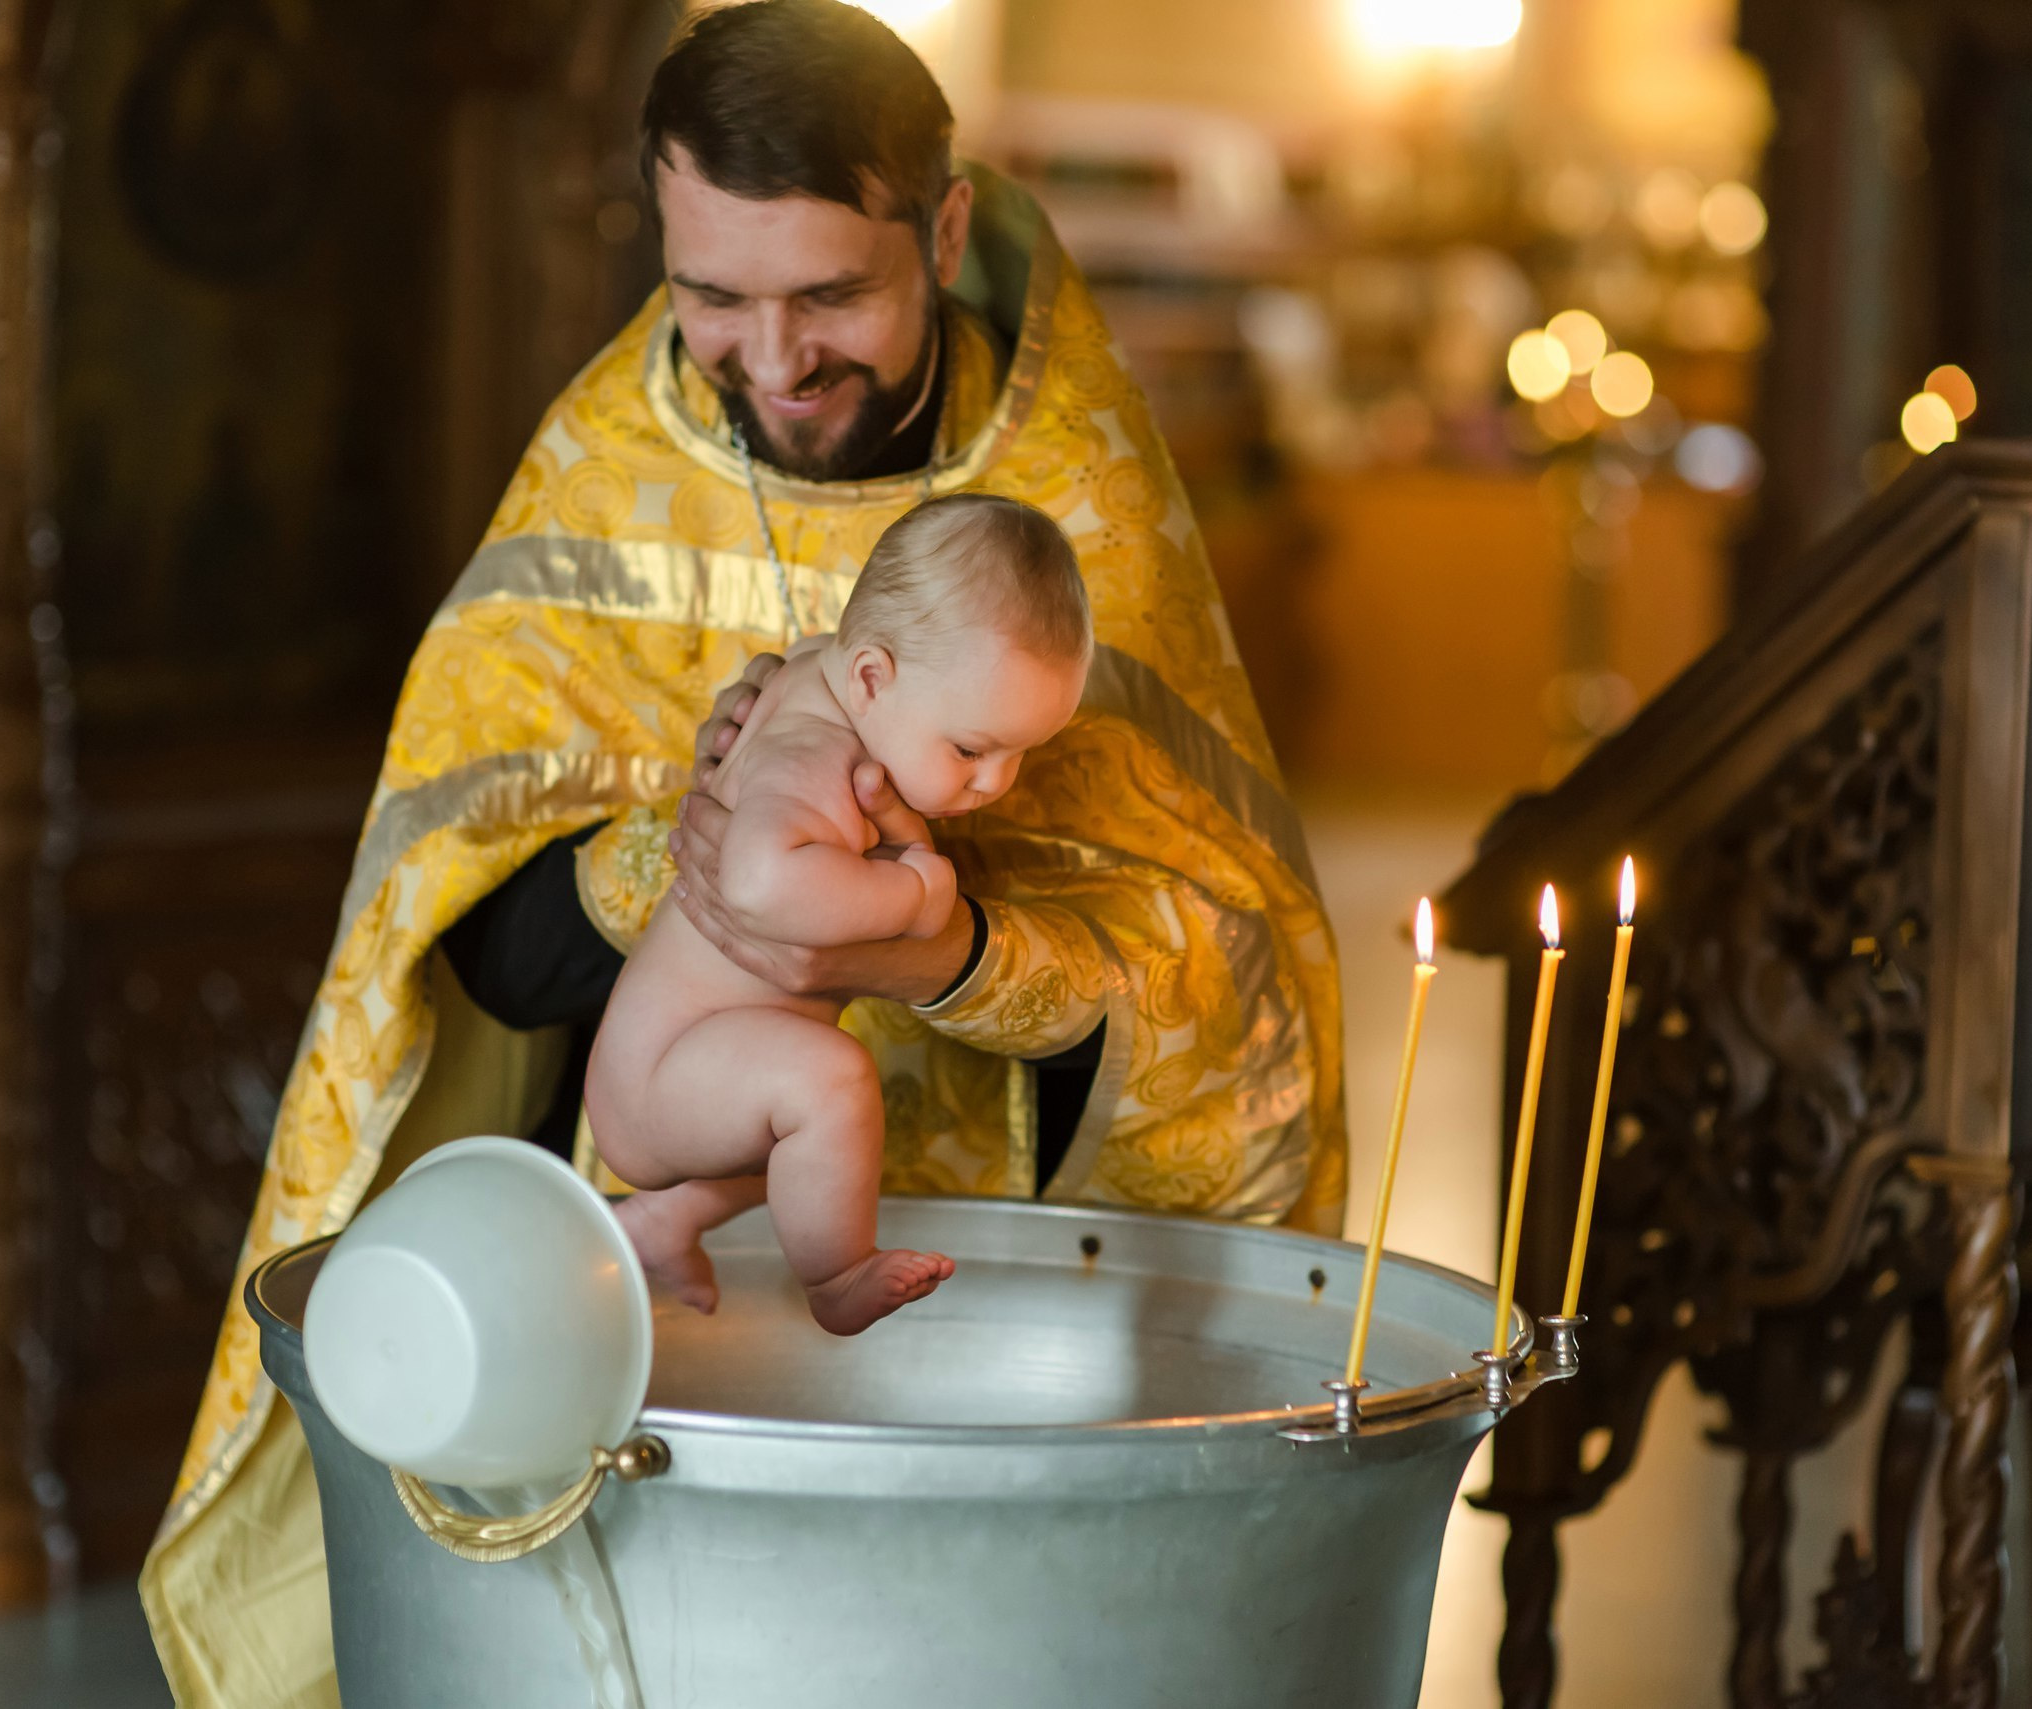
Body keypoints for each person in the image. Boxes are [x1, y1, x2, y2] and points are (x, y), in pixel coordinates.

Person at [142, 3, 1343, 1702]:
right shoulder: (601, 465)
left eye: (829, 297)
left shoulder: (1078, 504)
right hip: (649, 1328)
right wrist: (689, 864)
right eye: (714, 296)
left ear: (939, 229)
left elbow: (1223, 979)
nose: (772, 362)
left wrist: (950, 955)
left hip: (977, 1335)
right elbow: (463, 947)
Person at [592, 494, 1090, 1333]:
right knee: (835, 1083)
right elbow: (757, 881)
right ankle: (836, 1278)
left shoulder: (832, 674)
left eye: (1021, 753)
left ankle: (664, 1222)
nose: (996, 782)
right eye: (972, 749)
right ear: (870, 678)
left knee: (824, 1145)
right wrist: (918, 894)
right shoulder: (816, 752)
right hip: (662, 1075)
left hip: (679, 1061)